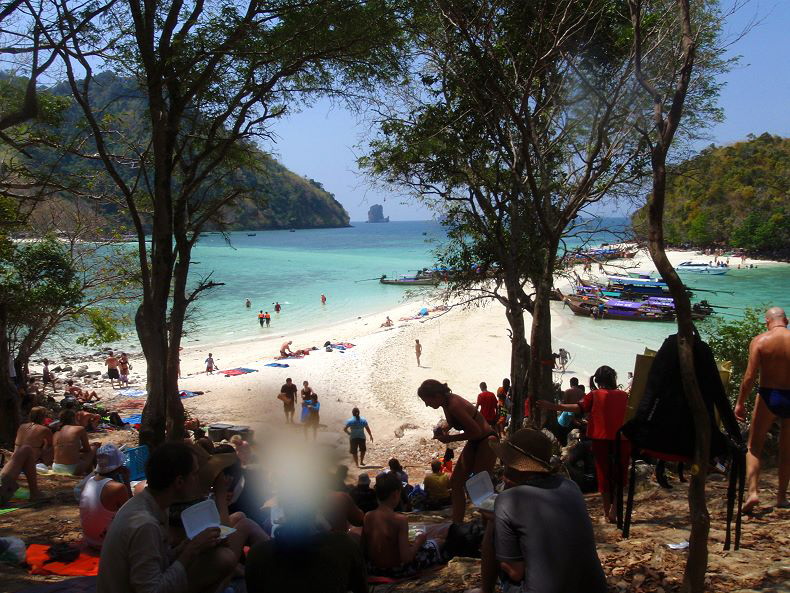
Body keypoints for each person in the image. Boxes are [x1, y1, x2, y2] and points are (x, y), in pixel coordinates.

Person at [472, 428, 607, 593]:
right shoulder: (571, 487)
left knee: (492, 528)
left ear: (513, 466)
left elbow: (515, 572)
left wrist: (495, 519)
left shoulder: (507, 500)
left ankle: (486, 591)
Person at [97, 442, 237, 593]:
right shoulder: (145, 524)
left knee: (221, 556)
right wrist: (191, 549)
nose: (200, 479)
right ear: (179, 482)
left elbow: (158, 560)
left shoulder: (152, 504)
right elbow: (151, 590)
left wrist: (185, 546)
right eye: (195, 474)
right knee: (224, 559)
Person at [538, 365, 630, 523]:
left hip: (600, 439)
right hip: (622, 439)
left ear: (598, 380)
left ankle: (607, 512)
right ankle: (615, 509)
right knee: (619, 475)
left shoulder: (594, 395)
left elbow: (578, 407)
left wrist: (555, 406)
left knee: (603, 475)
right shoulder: (624, 395)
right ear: (613, 378)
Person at [734, 306, 790, 512]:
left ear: (767, 322)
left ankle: (753, 493)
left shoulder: (760, 341)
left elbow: (749, 377)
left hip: (769, 395)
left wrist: (740, 403)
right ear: (787, 320)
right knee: (787, 452)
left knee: (753, 447)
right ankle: (782, 498)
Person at [418, 379, 497, 523]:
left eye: (427, 401)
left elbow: (476, 430)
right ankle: (457, 523)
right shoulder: (445, 402)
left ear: (436, 395)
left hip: (487, 440)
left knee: (481, 486)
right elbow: (459, 422)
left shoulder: (453, 405)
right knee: (455, 482)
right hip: (476, 440)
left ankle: (490, 526)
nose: (427, 405)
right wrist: (445, 429)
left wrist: (449, 439)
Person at [246, 501, 366, 593]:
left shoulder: (257, 554)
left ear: (282, 505)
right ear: (318, 506)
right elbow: (361, 589)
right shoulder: (342, 544)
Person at [362, 472, 450, 577]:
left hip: (374, 568)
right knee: (438, 543)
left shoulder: (367, 516)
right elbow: (406, 558)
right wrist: (418, 542)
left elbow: (364, 547)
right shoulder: (400, 520)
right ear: (395, 494)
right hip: (396, 570)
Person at [80, 444, 132, 549]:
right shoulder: (118, 488)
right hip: (106, 544)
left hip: (90, 539)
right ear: (119, 466)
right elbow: (131, 511)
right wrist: (126, 480)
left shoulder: (89, 482)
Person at [52, 409, 100, 476]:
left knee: (84, 454)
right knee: (95, 447)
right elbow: (87, 449)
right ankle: (96, 473)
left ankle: (89, 473)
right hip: (71, 469)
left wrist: (76, 448)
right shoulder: (80, 429)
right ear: (73, 418)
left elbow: (64, 448)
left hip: (56, 467)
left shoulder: (56, 432)